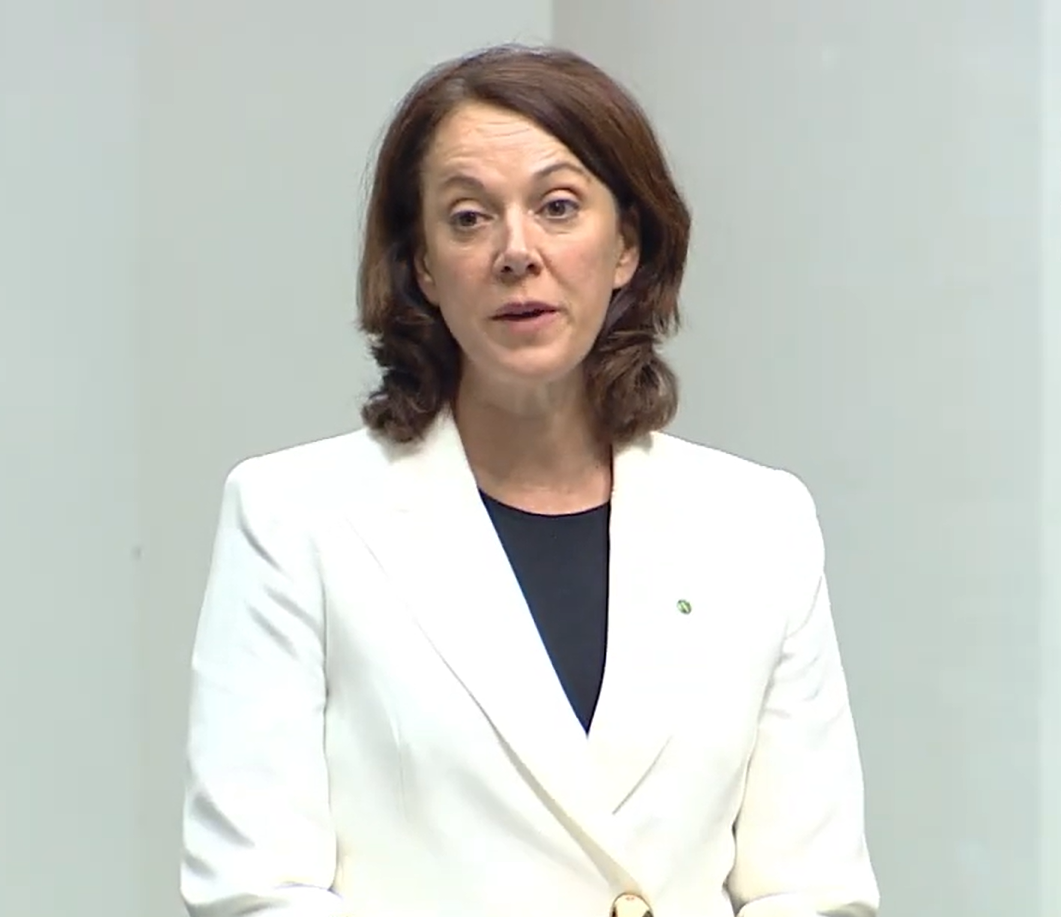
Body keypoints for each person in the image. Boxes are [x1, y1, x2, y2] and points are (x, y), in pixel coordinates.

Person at [179, 43, 879, 917]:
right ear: (424, 266)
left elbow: (812, 890)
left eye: (558, 207)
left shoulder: (759, 525)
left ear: (627, 244)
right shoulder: (294, 518)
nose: (517, 251)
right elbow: (255, 890)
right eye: (469, 217)